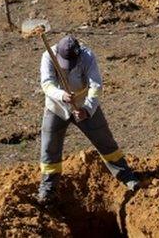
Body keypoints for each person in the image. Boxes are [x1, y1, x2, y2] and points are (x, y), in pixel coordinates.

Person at [37, 35, 139, 204]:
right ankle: (48, 188)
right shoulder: (48, 56)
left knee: (105, 141)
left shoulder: (87, 56)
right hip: (57, 107)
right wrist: (62, 95)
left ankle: (126, 176)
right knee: (49, 147)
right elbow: (47, 84)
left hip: (84, 105)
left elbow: (96, 86)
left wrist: (87, 109)